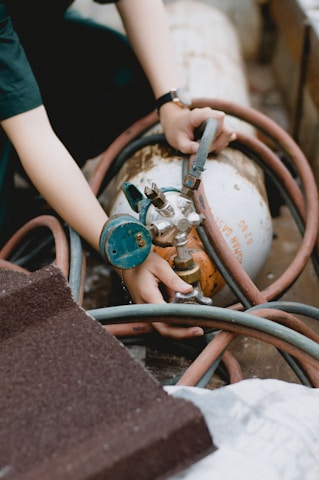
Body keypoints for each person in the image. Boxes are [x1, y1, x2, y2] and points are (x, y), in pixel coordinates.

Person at [0, 0, 235, 338]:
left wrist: (171, 105)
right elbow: (33, 134)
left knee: (124, 77)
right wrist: (123, 252)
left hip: (23, 36)